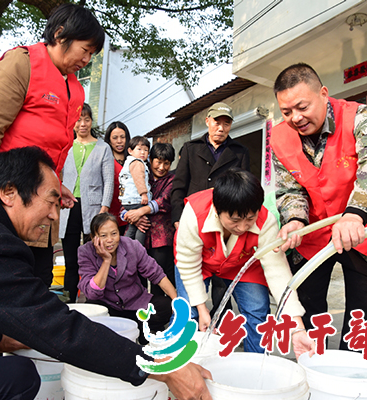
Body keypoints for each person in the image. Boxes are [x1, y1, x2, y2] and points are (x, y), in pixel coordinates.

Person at [0, 146, 212, 400]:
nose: (53, 214)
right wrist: (168, 370)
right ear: (9, 192)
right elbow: (61, 329)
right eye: (51, 201)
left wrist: (9, 336)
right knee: (16, 377)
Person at [0, 4, 104, 287]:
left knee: (36, 281)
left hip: (40, 208)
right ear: (61, 34)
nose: (87, 60)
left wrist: (56, 185)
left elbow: (54, 147)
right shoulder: (22, 63)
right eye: (85, 50)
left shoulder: (75, 87)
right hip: (4, 201)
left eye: (92, 54)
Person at [272, 63, 367, 351]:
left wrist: (355, 213)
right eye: (286, 112)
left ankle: (350, 370)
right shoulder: (278, 136)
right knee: (310, 308)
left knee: (361, 312)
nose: (295, 118)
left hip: (361, 229)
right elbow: (289, 188)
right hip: (312, 233)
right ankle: (317, 367)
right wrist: (294, 219)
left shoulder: (360, 117)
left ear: (323, 94)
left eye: (302, 107)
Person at [174, 169, 315, 357]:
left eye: (250, 219)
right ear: (217, 210)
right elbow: (188, 264)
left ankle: (254, 366)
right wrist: (202, 308)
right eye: (234, 220)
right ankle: (182, 368)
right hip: (197, 264)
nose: (242, 227)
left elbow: (278, 273)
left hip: (241, 263)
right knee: (187, 314)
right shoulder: (194, 213)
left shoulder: (266, 221)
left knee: (258, 311)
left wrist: (297, 328)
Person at [171, 101, 251, 320]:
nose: (221, 128)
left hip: (226, 227)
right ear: (207, 121)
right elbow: (178, 186)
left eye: (227, 123)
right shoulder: (191, 148)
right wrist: (178, 219)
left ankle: (222, 327)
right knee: (191, 282)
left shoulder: (239, 152)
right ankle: (188, 331)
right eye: (217, 122)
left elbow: (246, 191)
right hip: (195, 224)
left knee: (223, 283)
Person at [78, 213, 177, 343]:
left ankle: (140, 328)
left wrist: (177, 303)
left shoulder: (132, 246)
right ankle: (128, 332)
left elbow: (157, 275)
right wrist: (106, 260)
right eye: (103, 235)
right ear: (94, 238)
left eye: (114, 233)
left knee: (164, 306)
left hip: (136, 305)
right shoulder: (85, 252)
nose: (110, 239)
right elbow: (93, 293)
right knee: (91, 309)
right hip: (108, 306)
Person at [59, 103, 114, 303]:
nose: (82, 124)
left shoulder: (103, 148)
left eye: (87, 119)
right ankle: (69, 303)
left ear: (92, 121)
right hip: (69, 208)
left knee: (95, 258)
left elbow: (108, 181)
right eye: (78, 119)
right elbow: (58, 175)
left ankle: (95, 301)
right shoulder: (65, 145)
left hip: (93, 209)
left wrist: (104, 209)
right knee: (71, 260)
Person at [124, 143, 177, 295]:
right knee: (137, 276)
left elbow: (164, 201)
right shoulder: (140, 175)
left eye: (166, 163)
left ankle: (160, 313)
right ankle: (141, 312)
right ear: (150, 159)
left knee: (159, 278)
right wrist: (132, 217)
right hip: (138, 234)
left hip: (161, 239)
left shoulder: (172, 180)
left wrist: (140, 211)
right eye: (158, 162)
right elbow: (126, 201)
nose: (162, 167)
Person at [118, 136, 152, 244]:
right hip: (136, 199)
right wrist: (144, 194)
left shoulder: (127, 163)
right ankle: (138, 247)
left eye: (146, 150)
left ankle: (127, 245)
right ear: (130, 151)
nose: (143, 152)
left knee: (133, 225)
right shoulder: (137, 162)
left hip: (127, 201)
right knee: (143, 224)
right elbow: (139, 179)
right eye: (139, 149)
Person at [105, 121, 130, 234]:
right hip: (109, 213)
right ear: (109, 140)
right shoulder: (105, 160)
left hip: (129, 215)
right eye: (115, 138)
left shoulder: (133, 160)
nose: (119, 141)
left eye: (122, 137)